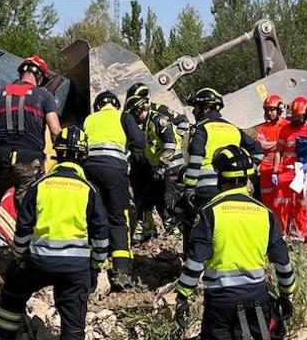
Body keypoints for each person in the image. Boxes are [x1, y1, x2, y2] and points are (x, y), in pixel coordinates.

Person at [175, 145, 298, 340]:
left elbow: (195, 263)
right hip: (257, 299)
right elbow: (283, 264)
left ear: (219, 179)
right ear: (247, 179)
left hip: (222, 305)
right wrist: (287, 297)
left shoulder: (210, 214)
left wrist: (183, 297)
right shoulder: (263, 213)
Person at [0, 127, 109, 340]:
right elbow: (101, 235)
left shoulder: (40, 185)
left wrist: (19, 258)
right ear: (82, 156)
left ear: (58, 154)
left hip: (39, 262)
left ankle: (0, 339)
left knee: (13, 292)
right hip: (75, 268)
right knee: (73, 324)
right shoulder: (88, 189)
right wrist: (96, 267)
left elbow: (24, 227)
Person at [0, 56, 61, 228]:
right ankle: (24, 252)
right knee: (29, 213)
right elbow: (55, 131)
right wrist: (63, 162)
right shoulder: (44, 96)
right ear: (40, 77)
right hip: (29, 163)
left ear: (21, 72)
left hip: (0, 161)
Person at [181, 88, 263, 243]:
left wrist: (189, 189)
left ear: (205, 108)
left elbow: (195, 159)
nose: (193, 112)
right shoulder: (233, 128)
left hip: (206, 190)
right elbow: (258, 151)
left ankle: (196, 263)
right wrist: (246, 173)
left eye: (196, 108)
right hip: (235, 188)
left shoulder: (202, 128)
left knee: (198, 230)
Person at [82, 90, 143, 289]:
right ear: (116, 105)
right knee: (118, 218)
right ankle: (121, 272)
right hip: (115, 170)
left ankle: (93, 268)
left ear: (97, 106)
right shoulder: (122, 116)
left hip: (90, 169)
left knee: (95, 216)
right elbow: (140, 141)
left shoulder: (89, 119)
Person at [126, 87, 183, 243]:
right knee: (157, 200)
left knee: (169, 200)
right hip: (158, 169)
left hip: (171, 168)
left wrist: (162, 165)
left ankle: (177, 233)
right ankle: (164, 232)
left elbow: (170, 144)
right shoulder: (145, 124)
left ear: (138, 110)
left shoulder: (158, 120)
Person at [273, 96, 307, 241]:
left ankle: (301, 234)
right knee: (280, 202)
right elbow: (278, 151)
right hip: (286, 171)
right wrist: (275, 170)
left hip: (303, 172)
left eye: (299, 116)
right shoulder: (285, 129)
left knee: (301, 204)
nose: (296, 119)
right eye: (294, 116)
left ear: (306, 114)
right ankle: (280, 234)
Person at [256, 94, 286, 215]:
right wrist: (280, 142)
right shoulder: (263, 128)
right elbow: (261, 146)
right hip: (266, 168)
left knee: (282, 201)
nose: (269, 113)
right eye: (267, 110)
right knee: (267, 202)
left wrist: (271, 144)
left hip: (282, 166)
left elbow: (289, 145)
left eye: (272, 109)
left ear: (279, 110)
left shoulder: (287, 126)